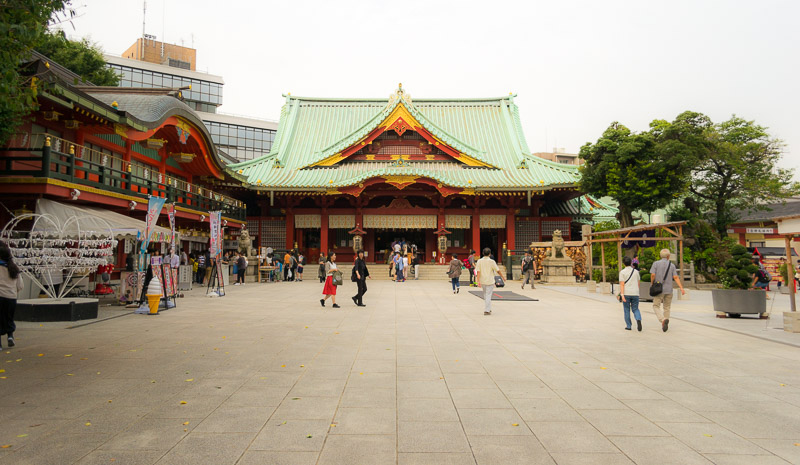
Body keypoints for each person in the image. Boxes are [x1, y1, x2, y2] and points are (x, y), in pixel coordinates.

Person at [650, 248, 686, 332]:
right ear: (668, 256)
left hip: (658, 289)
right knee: (667, 307)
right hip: (669, 289)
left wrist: (652, 283)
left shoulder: (656, 264)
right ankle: (666, 321)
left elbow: (652, 275)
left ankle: (662, 320)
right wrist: (681, 288)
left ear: (660, 255)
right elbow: (676, 277)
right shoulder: (672, 265)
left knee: (656, 305)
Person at [0, 244, 23, 348]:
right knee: (9, 318)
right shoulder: (14, 268)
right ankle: (10, 336)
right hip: (11, 298)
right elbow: (20, 285)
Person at [475, 247, 502, 315]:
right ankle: (487, 310)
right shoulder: (492, 261)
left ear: (483, 253)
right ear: (490, 254)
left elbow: (478, 272)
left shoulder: (479, 261)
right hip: (490, 280)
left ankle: (488, 308)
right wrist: (503, 277)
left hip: (482, 280)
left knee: (485, 294)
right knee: (488, 295)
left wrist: (477, 281)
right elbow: (497, 270)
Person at [619, 256, 642, 331]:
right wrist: (636, 291)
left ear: (623, 263)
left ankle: (629, 326)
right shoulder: (636, 272)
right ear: (631, 263)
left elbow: (622, 284)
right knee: (635, 309)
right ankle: (638, 319)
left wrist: (622, 295)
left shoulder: (622, 272)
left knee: (626, 309)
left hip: (626, 293)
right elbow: (638, 283)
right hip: (635, 293)